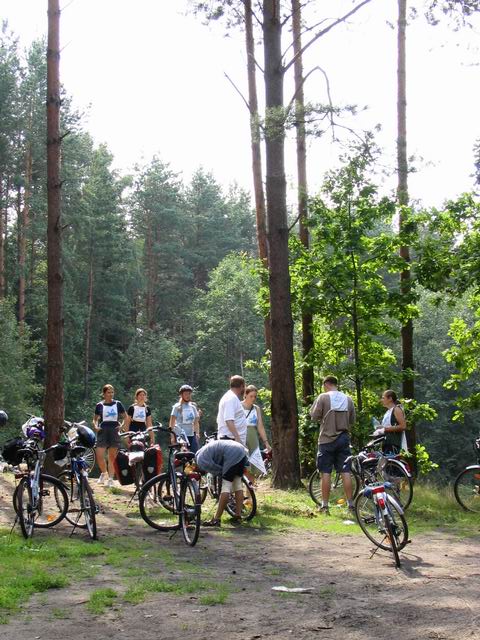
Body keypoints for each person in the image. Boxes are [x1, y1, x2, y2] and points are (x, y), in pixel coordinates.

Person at [310, 375, 356, 514]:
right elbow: (352, 420)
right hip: (343, 439)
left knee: (325, 472)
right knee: (345, 471)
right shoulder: (348, 399)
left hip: (326, 439)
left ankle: (325, 506)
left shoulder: (323, 397)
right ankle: (351, 505)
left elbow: (314, 416)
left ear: (326, 384)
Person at [195, 438, 249, 527]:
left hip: (231, 454)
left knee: (226, 486)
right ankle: (238, 516)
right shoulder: (205, 450)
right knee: (238, 485)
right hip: (241, 450)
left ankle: (216, 519)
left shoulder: (200, 460)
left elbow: (215, 469)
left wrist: (224, 473)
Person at [93, 384, 126, 487]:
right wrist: (95, 426)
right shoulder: (99, 405)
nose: (111, 394)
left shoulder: (118, 404)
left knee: (112, 456)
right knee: (99, 454)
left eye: (112, 392)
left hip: (114, 430)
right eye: (108, 392)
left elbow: (125, 417)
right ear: (104, 394)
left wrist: (122, 426)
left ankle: (111, 478)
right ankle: (104, 473)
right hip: (103, 430)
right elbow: (95, 419)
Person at [242, 385, 270, 481]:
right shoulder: (239, 406)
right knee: (243, 461)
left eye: (255, 396)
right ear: (245, 395)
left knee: (254, 462)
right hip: (242, 434)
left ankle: (251, 488)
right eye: (251, 396)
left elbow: (260, 426)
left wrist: (266, 443)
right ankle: (243, 486)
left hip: (253, 436)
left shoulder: (256, 408)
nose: (253, 398)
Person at [374, 390, 408, 454]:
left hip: (393, 444)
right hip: (386, 443)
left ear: (390, 398)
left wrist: (384, 429)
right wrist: (380, 429)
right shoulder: (388, 412)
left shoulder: (396, 409)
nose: (381, 400)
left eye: (383, 398)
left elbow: (403, 426)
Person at [217, 375, 247, 445]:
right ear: (242, 386)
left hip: (233, 440)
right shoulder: (230, 398)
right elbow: (228, 420)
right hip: (230, 440)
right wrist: (238, 439)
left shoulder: (232, 397)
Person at [169, 384, 200, 453]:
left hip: (191, 434)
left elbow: (196, 422)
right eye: (186, 394)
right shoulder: (177, 407)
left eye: (189, 394)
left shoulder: (193, 407)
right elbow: (172, 422)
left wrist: (197, 434)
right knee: (182, 454)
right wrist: (172, 436)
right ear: (181, 395)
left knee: (194, 454)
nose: (188, 396)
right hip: (180, 435)